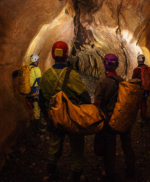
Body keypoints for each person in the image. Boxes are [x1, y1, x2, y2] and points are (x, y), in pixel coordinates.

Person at [38, 41, 91, 182]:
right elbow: (85, 98)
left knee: (54, 144)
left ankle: (50, 172)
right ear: (66, 55)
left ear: (52, 54)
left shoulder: (46, 75)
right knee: (77, 148)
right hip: (72, 117)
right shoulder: (72, 75)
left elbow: (41, 100)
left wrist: (48, 117)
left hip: (55, 117)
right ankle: (76, 176)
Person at [93, 54, 136, 181]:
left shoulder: (102, 82)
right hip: (123, 116)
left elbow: (98, 103)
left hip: (109, 118)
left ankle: (110, 172)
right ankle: (131, 169)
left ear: (104, 65)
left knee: (110, 146)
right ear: (116, 65)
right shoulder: (123, 81)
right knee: (127, 144)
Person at [132, 54, 150, 123]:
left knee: (141, 103)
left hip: (140, 89)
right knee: (144, 102)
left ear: (138, 60)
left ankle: (143, 118)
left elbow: (133, 80)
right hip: (147, 89)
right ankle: (143, 116)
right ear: (144, 60)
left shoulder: (136, 70)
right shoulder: (148, 68)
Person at [29, 54, 46, 133]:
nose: (38, 61)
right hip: (35, 91)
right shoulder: (36, 69)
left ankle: (39, 123)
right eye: (38, 59)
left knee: (37, 107)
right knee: (37, 108)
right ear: (36, 60)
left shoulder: (28, 68)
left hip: (30, 91)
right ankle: (37, 128)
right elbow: (39, 82)